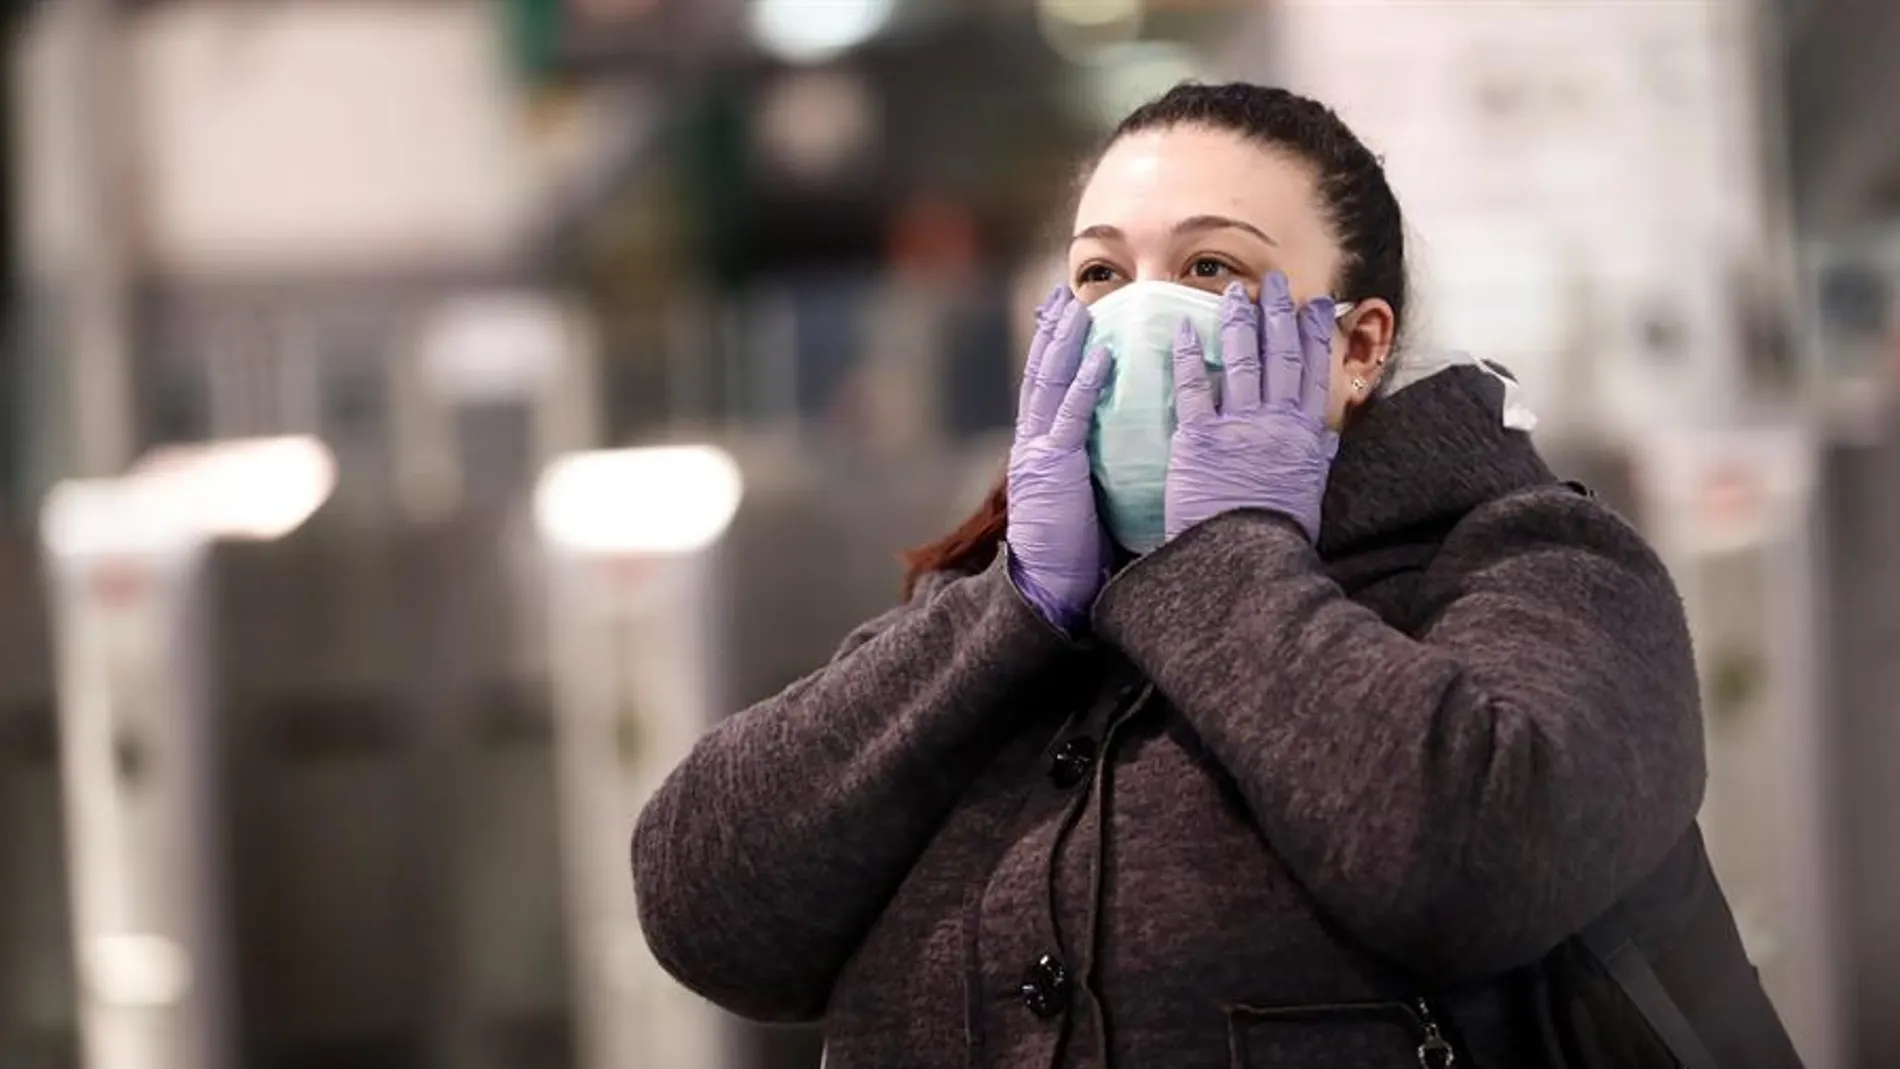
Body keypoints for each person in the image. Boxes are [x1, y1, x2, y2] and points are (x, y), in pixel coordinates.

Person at [632, 83, 1797, 1068]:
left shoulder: (1535, 566)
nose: (1139, 311)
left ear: (1356, 346)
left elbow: (1472, 857)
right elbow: (706, 908)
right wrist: (1013, 606)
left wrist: (1218, 555)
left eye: (1206, 267)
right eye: (1098, 276)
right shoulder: (999, 615)